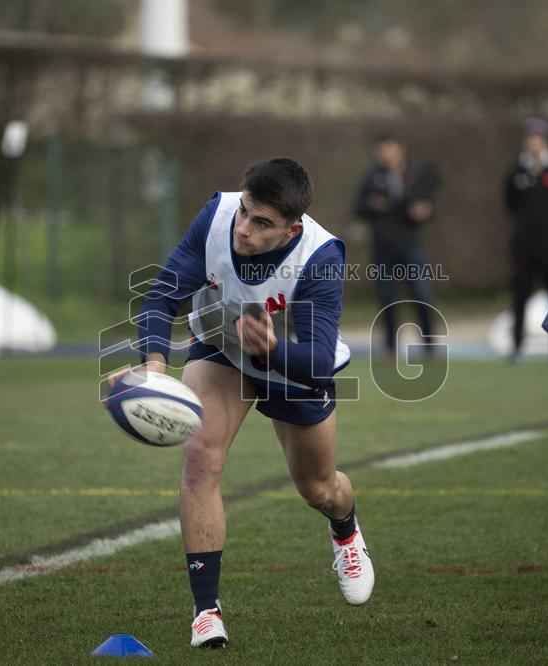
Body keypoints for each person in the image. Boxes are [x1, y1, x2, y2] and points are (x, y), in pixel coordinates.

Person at [107, 158, 373, 648]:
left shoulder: (321, 255)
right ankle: (206, 612)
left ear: (292, 229)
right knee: (199, 458)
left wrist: (272, 349)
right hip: (221, 349)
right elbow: (162, 297)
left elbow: (316, 360)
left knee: (319, 489)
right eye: (245, 213)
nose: (244, 230)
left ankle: (345, 529)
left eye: (262, 223)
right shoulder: (216, 216)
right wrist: (154, 369)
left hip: (293, 364)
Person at [353, 135, 439, 358]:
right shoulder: (372, 177)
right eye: (382, 151)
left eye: (390, 151)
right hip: (382, 248)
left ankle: (430, 347)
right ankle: (390, 348)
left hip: (410, 246)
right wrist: (372, 206)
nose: (386, 156)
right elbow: (359, 207)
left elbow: (429, 205)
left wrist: (423, 212)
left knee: (421, 295)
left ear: (400, 151)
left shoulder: (415, 175)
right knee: (387, 300)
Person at [503, 117, 548, 362]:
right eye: (530, 138)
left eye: (538, 138)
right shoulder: (516, 171)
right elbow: (510, 204)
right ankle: (516, 346)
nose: (534, 143)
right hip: (523, 246)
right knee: (519, 295)